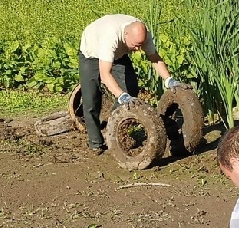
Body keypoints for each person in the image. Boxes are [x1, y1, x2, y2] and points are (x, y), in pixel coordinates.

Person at [78, 14, 183, 154]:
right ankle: (95, 142)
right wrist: (121, 96)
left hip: (119, 55)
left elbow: (155, 58)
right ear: (125, 34)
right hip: (91, 53)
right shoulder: (110, 37)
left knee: (131, 89)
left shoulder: (142, 34)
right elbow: (105, 74)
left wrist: (169, 80)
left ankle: (114, 125)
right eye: (136, 45)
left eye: (141, 45)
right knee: (91, 99)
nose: (139, 49)